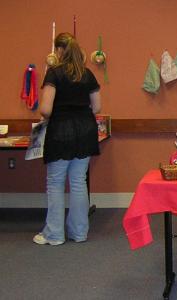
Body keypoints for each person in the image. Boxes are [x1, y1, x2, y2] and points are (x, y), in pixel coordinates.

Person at [33, 32, 101, 246]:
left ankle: (54, 234)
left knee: (55, 183)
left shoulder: (54, 73)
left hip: (61, 132)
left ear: (60, 51)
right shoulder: (87, 74)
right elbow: (97, 107)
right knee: (79, 182)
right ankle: (79, 232)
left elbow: (45, 108)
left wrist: (46, 114)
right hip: (85, 132)